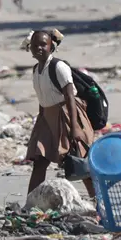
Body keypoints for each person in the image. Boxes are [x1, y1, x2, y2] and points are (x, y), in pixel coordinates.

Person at [24, 28, 96, 198]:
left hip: (67, 115)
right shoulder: (36, 70)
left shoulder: (59, 67)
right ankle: (30, 204)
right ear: (30, 49)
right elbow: (43, 98)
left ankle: (100, 202)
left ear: (52, 46)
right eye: (35, 45)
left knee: (80, 163)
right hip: (47, 117)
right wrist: (40, 123)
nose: (39, 48)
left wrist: (75, 127)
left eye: (43, 44)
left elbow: (70, 97)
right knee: (39, 162)